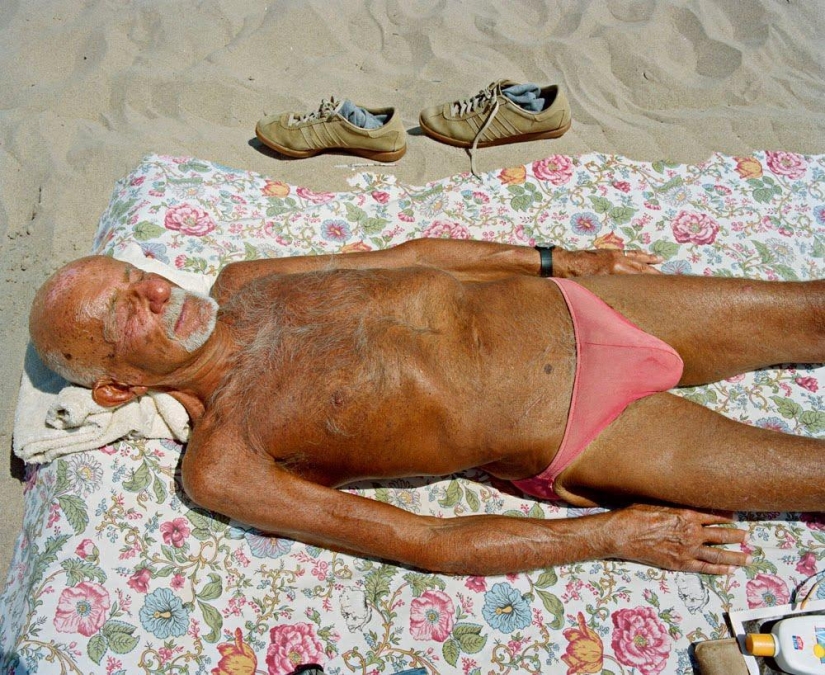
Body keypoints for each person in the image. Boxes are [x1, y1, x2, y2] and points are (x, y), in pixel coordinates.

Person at [29, 239, 825, 576]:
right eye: (127, 314)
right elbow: (428, 542)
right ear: (116, 387)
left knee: (813, 311)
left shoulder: (248, 280)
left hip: (582, 305)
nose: (161, 291)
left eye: (138, 275)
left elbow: (411, 257)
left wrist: (556, 258)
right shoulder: (224, 460)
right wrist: (614, 533)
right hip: (584, 427)